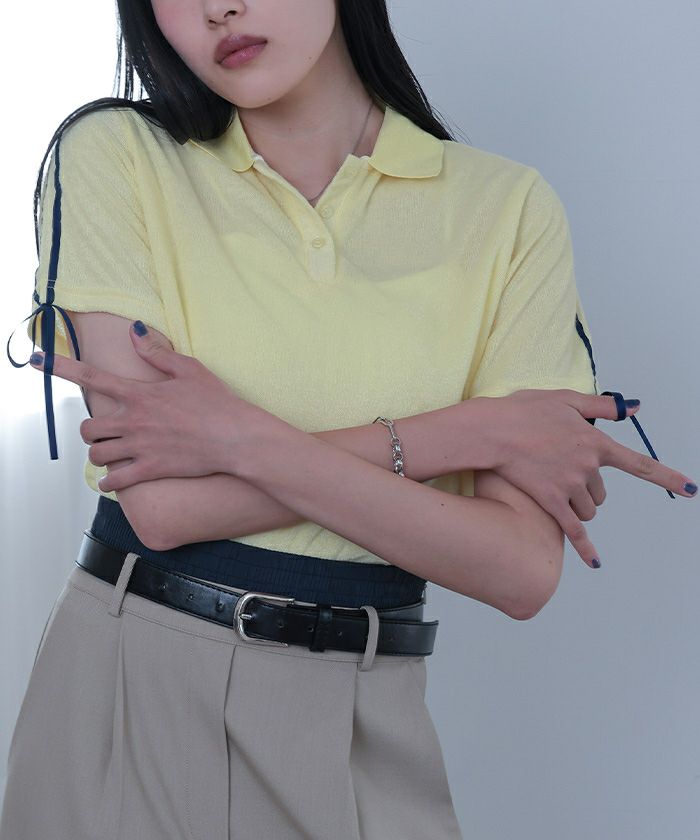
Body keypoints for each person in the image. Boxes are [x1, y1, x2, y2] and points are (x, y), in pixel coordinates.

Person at [3, 1, 697, 838]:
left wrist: (238, 440)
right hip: (136, 689)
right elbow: (164, 508)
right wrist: (466, 432)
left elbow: (519, 569)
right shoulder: (116, 155)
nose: (219, 7)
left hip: (373, 710)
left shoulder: (507, 209)